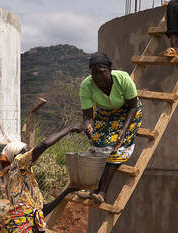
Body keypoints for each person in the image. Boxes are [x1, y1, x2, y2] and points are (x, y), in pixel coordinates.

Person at [50, 53, 141, 205]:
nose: (98, 77)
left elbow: (133, 106)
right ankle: (91, 188)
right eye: (94, 74)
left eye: (101, 72)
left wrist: (123, 130)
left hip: (128, 112)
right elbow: (87, 116)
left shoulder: (123, 79)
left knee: (116, 148)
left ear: (110, 70)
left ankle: (102, 192)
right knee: (97, 145)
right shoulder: (86, 86)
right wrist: (87, 125)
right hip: (105, 113)